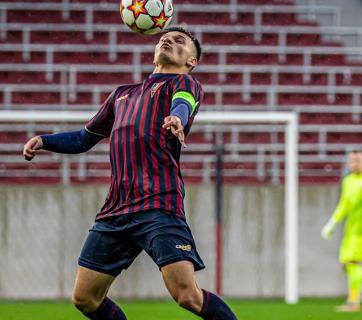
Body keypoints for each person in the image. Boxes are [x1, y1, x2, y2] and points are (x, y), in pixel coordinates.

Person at [22, 27, 237, 320]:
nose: (168, 40)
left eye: (179, 41)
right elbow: (84, 138)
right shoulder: (122, 95)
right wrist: (45, 141)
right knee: (85, 298)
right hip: (116, 210)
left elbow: (184, 100)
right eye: (165, 38)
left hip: (158, 205)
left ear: (191, 61)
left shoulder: (184, 83)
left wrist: (178, 117)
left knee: (187, 296)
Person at [321, 150, 362, 312]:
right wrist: (332, 223)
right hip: (350, 230)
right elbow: (344, 204)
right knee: (347, 264)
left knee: (352, 263)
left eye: (358, 160)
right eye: (352, 160)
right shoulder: (348, 181)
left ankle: (354, 302)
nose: (355, 163)